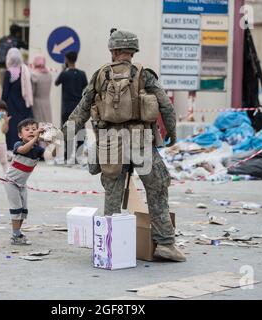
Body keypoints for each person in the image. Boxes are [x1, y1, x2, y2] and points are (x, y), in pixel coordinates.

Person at [61, 29, 186, 262]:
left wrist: (63, 138)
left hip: (109, 141)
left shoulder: (100, 75)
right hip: (140, 141)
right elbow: (165, 106)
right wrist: (172, 132)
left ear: (114, 50)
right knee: (157, 187)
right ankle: (166, 244)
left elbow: (82, 109)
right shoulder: (144, 74)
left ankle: (109, 245)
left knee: (113, 191)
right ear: (132, 51)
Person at [4, 118, 56, 245]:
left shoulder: (37, 150)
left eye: (34, 129)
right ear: (20, 135)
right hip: (11, 182)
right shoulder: (18, 145)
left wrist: (51, 142)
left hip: (22, 185)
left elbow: (51, 156)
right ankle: (16, 236)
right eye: (27, 130)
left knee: (23, 211)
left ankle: (17, 233)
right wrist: (36, 138)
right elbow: (23, 150)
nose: (31, 131)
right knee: (16, 209)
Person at [2, 48, 33, 151]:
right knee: (23, 126)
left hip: (11, 105)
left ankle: (13, 148)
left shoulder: (9, 73)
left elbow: (5, 92)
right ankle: (24, 147)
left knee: (12, 127)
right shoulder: (25, 70)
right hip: (23, 104)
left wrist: (2, 106)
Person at [55, 51, 88, 126]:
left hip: (67, 108)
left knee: (68, 134)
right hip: (79, 107)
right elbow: (86, 87)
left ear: (66, 60)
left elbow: (56, 83)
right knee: (80, 133)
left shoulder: (64, 74)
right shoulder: (82, 74)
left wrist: (63, 70)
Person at [30, 55, 52, 123]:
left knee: (38, 123)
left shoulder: (34, 75)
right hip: (47, 102)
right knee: (47, 122)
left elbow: (32, 92)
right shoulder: (49, 75)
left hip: (37, 103)